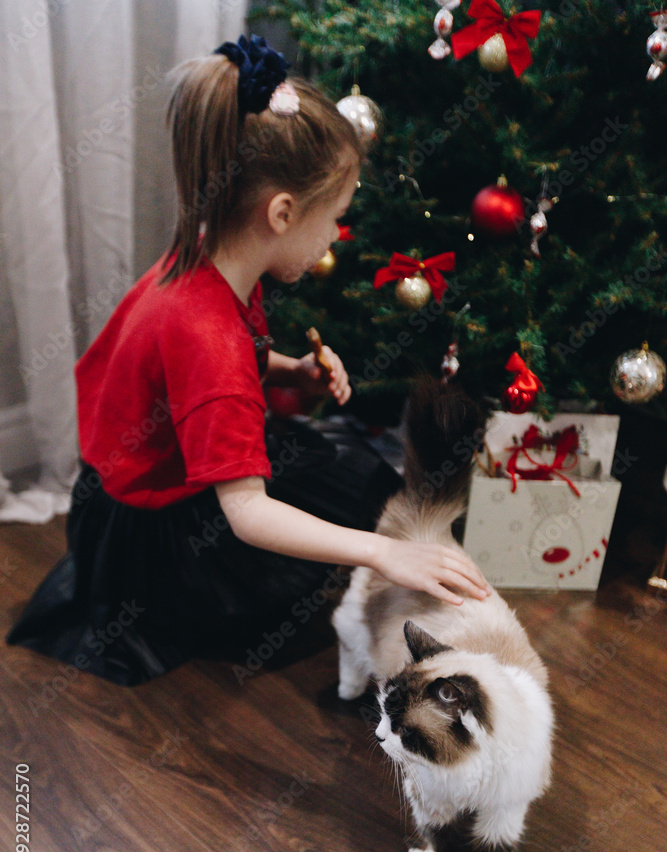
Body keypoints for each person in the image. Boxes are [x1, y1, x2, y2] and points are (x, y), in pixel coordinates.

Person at [7, 35, 491, 686]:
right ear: (282, 212)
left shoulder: (206, 260)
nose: (334, 238)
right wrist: (384, 551)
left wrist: (287, 369)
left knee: (346, 477)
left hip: (133, 490)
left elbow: (187, 381)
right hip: (153, 539)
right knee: (333, 523)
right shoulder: (206, 332)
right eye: (335, 219)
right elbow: (247, 513)